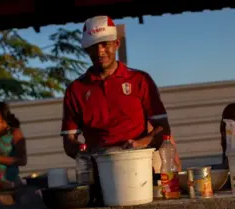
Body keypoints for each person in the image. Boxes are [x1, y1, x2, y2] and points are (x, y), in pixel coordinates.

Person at [61, 15, 173, 161]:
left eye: (105, 44)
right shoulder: (75, 90)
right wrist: (87, 152)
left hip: (139, 166)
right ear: (87, 50)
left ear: (117, 44)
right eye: (93, 47)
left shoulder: (140, 80)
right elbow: (69, 142)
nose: (100, 51)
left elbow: (163, 129)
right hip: (97, 173)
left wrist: (140, 144)